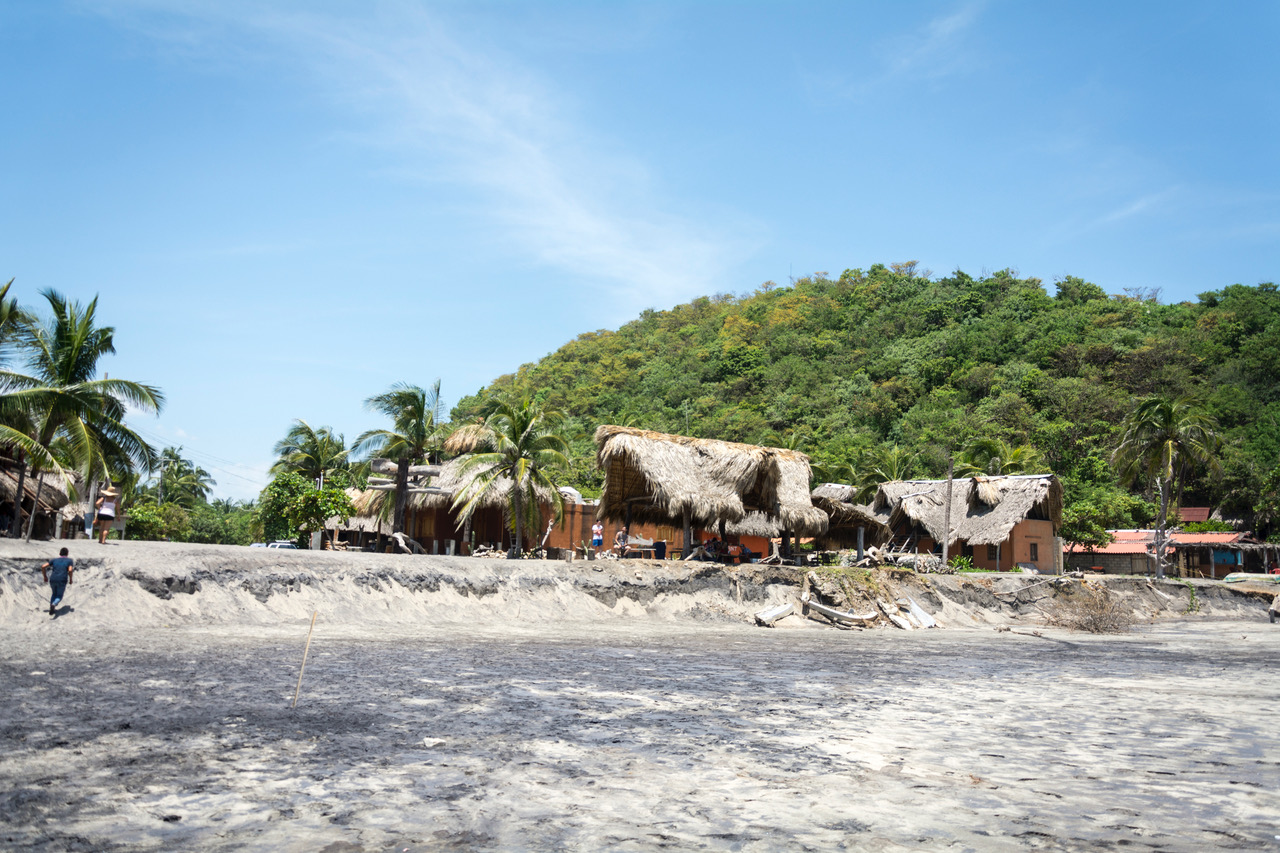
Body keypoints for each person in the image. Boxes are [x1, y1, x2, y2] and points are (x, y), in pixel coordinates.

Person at [41, 547, 74, 616]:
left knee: (54, 593)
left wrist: (45, 576)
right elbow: (70, 570)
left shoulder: (54, 560)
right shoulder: (69, 561)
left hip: (53, 579)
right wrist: (70, 579)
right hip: (62, 579)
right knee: (59, 595)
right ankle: (54, 604)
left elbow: (43, 566)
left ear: (59, 553)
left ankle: (51, 607)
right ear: (67, 554)